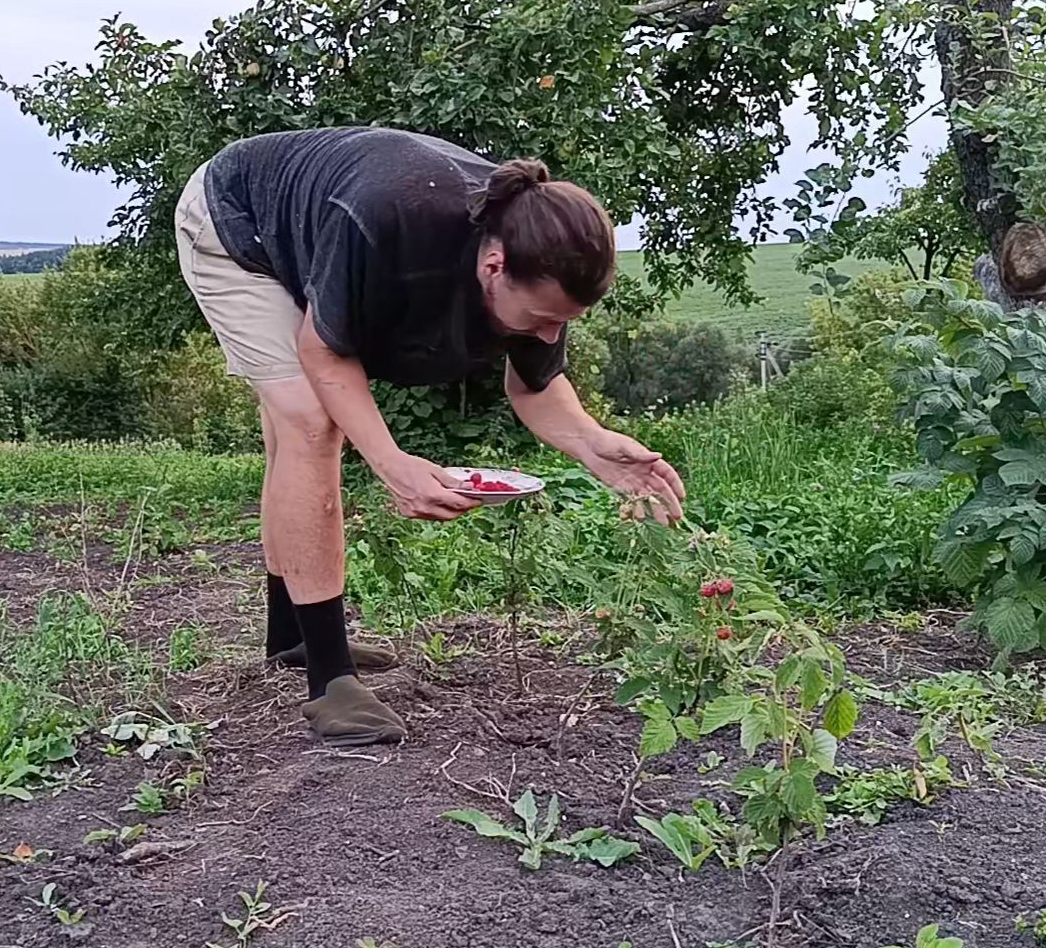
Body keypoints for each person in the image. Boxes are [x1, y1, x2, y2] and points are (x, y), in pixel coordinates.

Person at [175, 126, 686, 747]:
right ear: (494, 266)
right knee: (309, 421)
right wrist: (392, 463)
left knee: (296, 429)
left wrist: (591, 442)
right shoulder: (388, 221)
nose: (551, 335)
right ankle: (329, 681)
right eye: (544, 317)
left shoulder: (536, 249)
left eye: (565, 321)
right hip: (239, 222)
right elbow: (325, 353)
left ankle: (291, 637)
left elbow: (536, 386)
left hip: (313, 229)